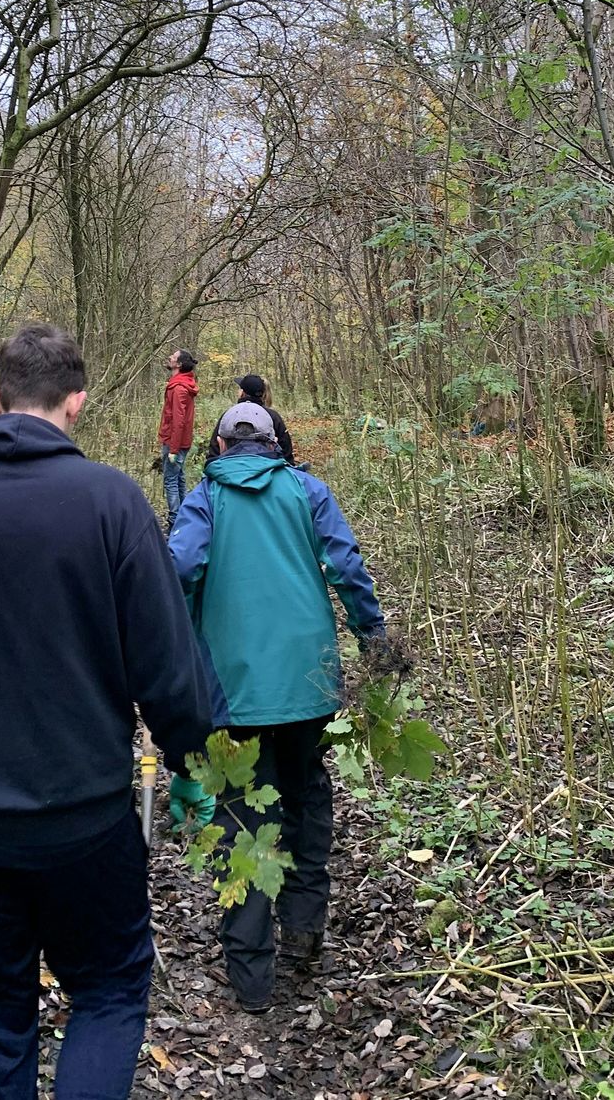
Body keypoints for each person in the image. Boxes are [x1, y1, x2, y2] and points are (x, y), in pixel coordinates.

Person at [0, 324, 214, 1100]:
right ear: (77, 403)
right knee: (109, 992)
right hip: (83, 824)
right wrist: (194, 760)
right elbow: (168, 667)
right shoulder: (112, 504)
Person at [169, 401, 387, 1014]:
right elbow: (345, 565)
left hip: (233, 691)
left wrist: (173, 636)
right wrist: (374, 634)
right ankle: (304, 930)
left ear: (218, 445)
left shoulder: (204, 500)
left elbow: (180, 566)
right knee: (305, 797)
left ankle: (251, 974)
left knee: (240, 815)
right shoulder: (307, 491)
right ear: (273, 443)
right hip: (307, 682)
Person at [203, 374, 295, 467]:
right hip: (268, 469)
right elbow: (286, 452)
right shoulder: (273, 416)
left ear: (242, 393)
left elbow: (214, 452)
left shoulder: (229, 415)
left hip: (230, 468)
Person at [157, 348, 199, 529]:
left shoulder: (179, 388)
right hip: (180, 441)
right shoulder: (181, 384)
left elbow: (178, 421)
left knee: (171, 480)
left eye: (173, 357)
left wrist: (173, 449)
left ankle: (175, 520)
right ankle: (185, 516)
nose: (169, 358)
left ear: (179, 364)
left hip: (175, 441)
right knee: (179, 477)